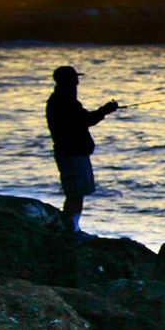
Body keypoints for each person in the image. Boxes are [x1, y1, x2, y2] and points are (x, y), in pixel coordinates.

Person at [45, 65, 118, 236]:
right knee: (76, 193)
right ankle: (72, 229)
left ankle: (70, 226)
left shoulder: (61, 100)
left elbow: (82, 119)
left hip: (71, 153)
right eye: (75, 79)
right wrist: (106, 110)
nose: (78, 82)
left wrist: (104, 111)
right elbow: (86, 120)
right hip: (72, 154)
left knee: (75, 192)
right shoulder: (64, 102)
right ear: (68, 81)